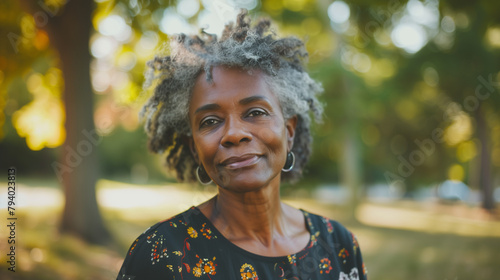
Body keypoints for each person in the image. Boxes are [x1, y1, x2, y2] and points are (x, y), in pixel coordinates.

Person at [117, 10, 367, 280]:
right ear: (194, 148)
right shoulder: (163, 256)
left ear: (289, 131)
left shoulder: (338, 245)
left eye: (256, 112)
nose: (234, 134)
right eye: (210, 121)